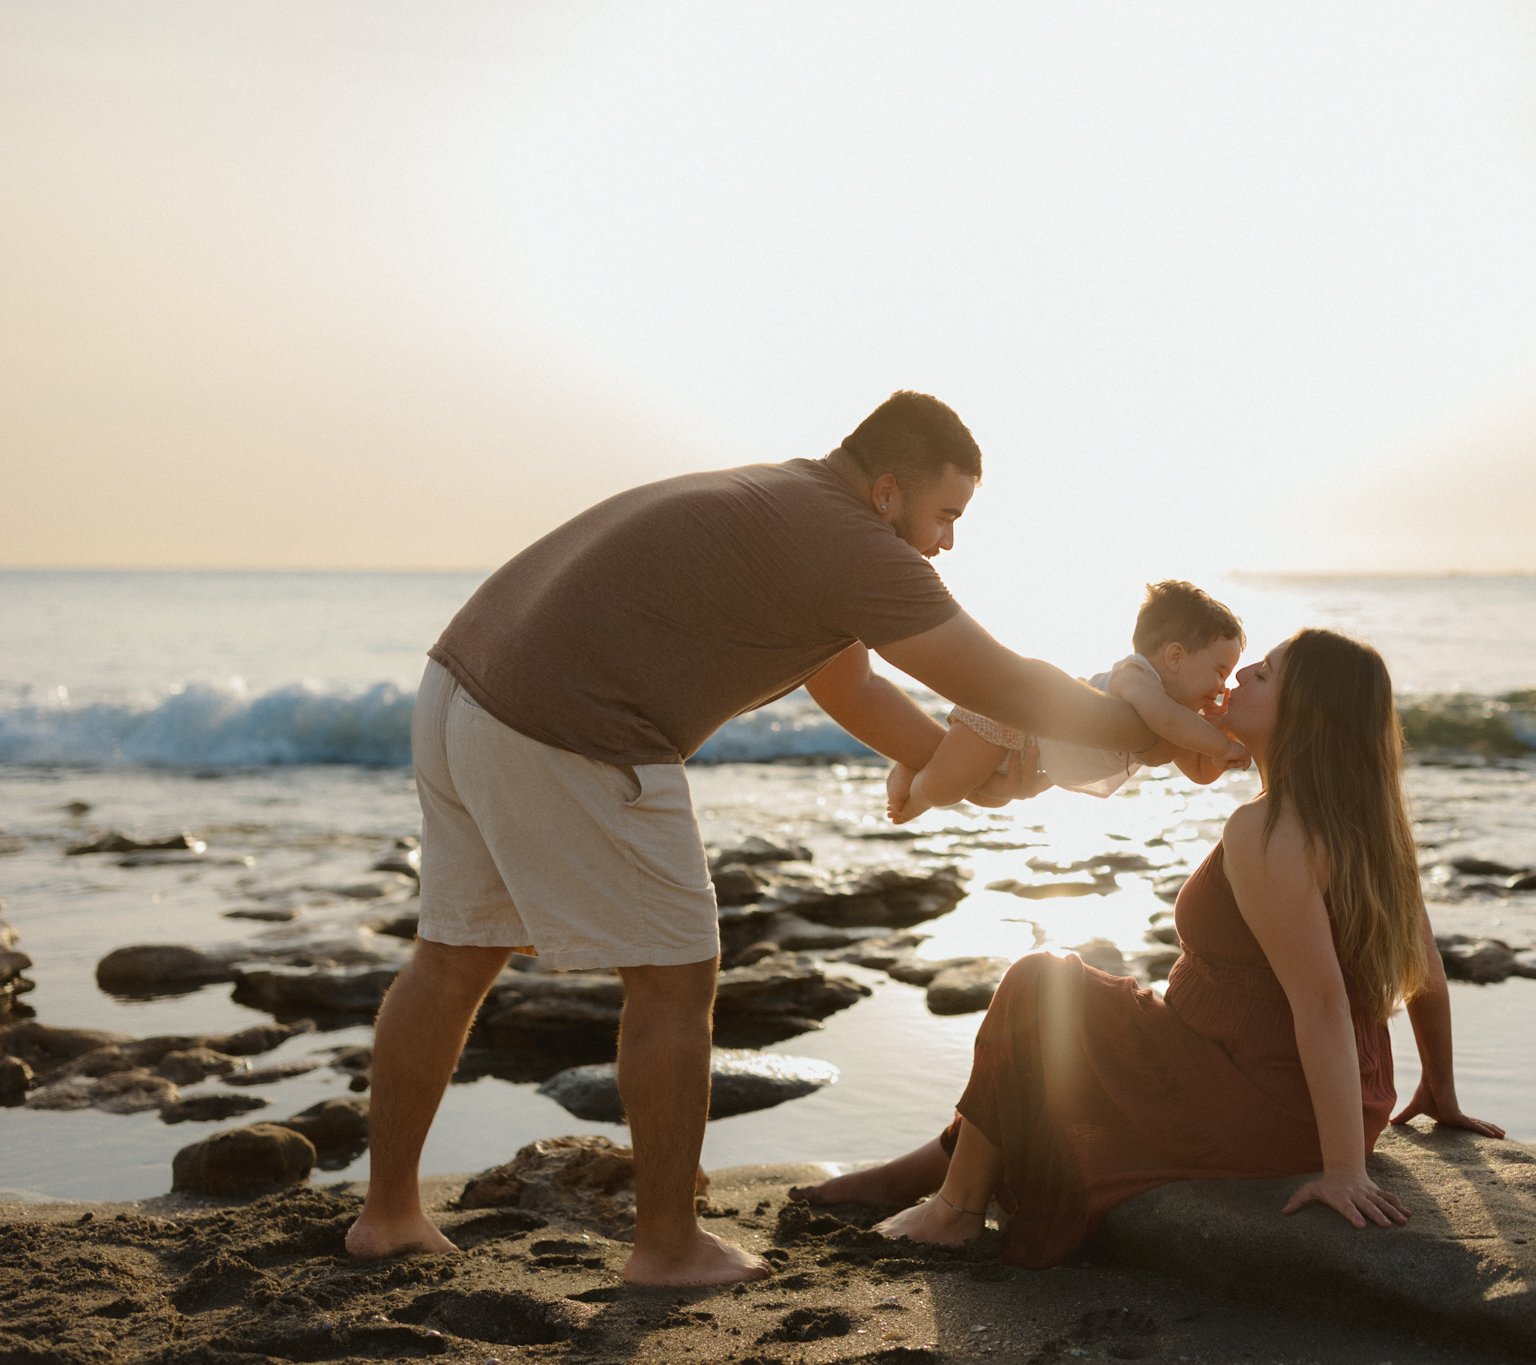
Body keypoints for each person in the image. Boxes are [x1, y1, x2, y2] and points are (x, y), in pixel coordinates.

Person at [343, 391, 1158, 1286]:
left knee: (452, 956)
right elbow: (1005, 681)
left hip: (459, 686)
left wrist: (946, 777)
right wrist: (1159, 731)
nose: (948, 541)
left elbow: (849, 690)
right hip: (566, 720)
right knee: (674, 978)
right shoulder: (849, 540)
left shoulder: (789, 504)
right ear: (888, 491)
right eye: (946, 514)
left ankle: (388, 1215)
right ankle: (666, 1245)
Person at [800, 628, 1504, 1267]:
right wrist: (1438, 1090)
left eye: (1264, 673)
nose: (1242, 676)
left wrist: (1344, 1169)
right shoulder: (1371, 822)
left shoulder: (1269, 829)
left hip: (1258, 1093)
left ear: (1307, 714)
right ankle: (931, 1168)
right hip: (1341, 1090)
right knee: (1080, 1015)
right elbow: (1428, 973)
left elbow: (1318, 1000)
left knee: (1040, 983)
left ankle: (955, 1208)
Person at [884, 580, 1252, 823]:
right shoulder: (1137, 677)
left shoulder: (1182, 717)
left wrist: (1225, 738)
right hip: (1018, 721)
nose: (1221, 687)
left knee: (988, 796)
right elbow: (1166, 721)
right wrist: (1217, 741)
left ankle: (927, 763)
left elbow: (1199, 770)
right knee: (944, 789)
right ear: (1174, 657)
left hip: (1037, 757)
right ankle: (913, 787)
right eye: (1219, 671)